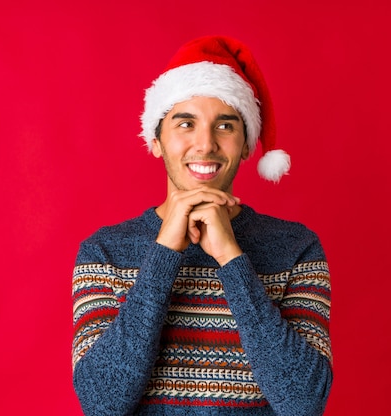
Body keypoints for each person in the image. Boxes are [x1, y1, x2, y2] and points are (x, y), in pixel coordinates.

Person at [71, 35, 333, 416]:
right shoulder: (104, 252)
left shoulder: (296, 248)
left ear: (246, 144)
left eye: (225, 125)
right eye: (186, 123)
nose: (205, 144)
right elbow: (101, 403)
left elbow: (303, 403)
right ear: (156, 141)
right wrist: (162, 256)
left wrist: (232, 258)